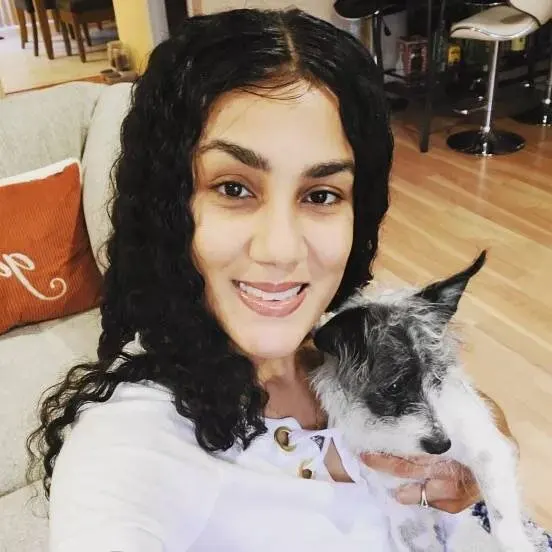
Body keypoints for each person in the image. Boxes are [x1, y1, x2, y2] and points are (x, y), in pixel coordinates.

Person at [26, 7, 524, 551]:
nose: (282, 249)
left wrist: (486, 441)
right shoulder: (130, 446)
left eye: (321, 194)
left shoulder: (343, 336)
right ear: (168, 205)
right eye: (234, 188)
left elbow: (452, 395)